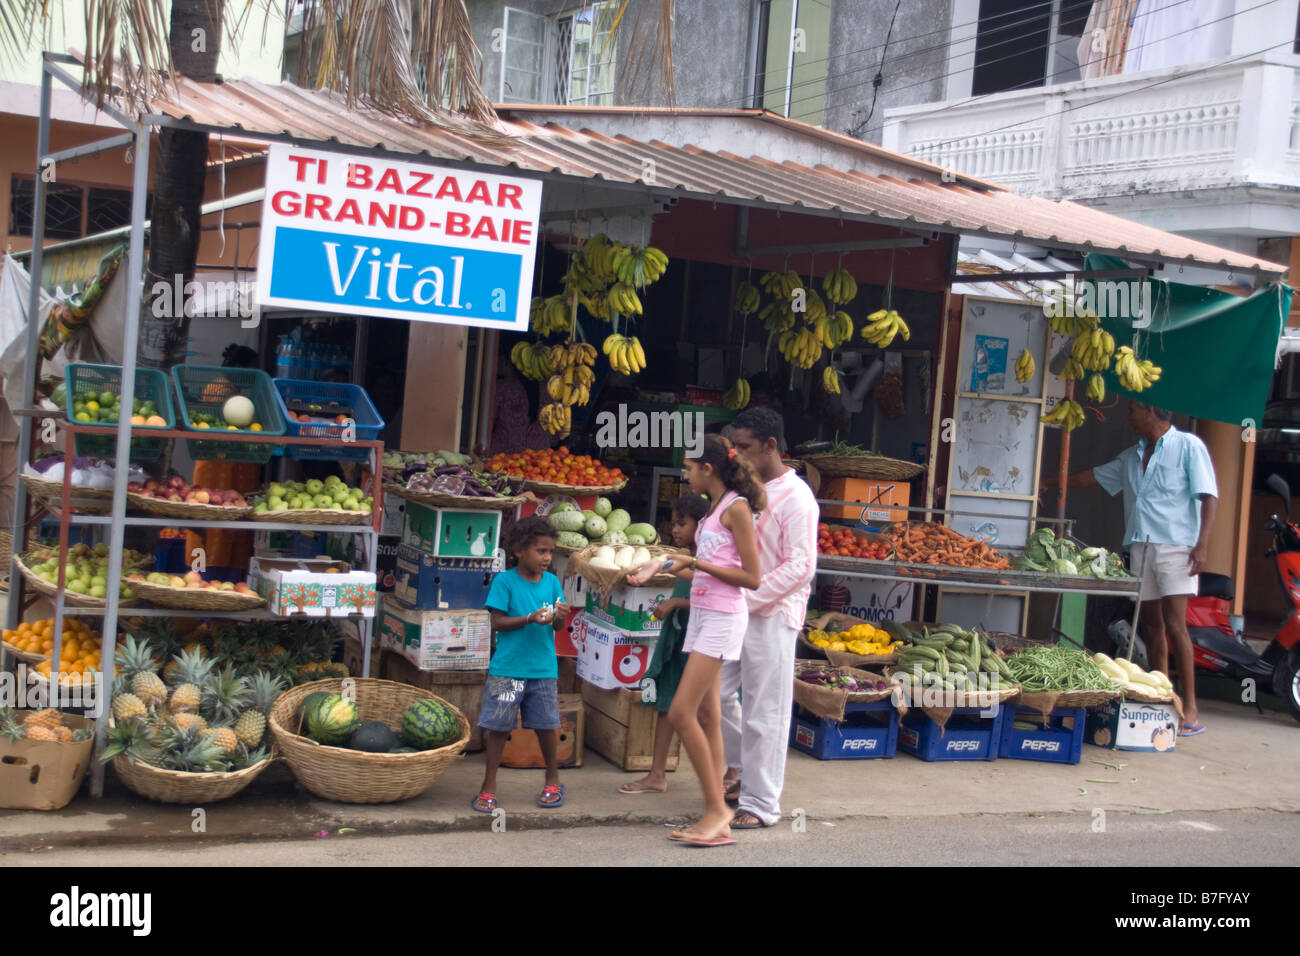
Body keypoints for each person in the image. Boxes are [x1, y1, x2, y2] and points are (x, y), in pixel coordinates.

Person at [1042, 400, 1217, 736]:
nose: (1129, 417)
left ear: (1152, 410)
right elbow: (1092, 476)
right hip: (1140, 546)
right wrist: (1050, 482)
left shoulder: (1188, 447)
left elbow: (1209, 496)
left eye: (1133, 410)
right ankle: (1163, 695)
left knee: (1176, 625)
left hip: (1177, 546)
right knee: (1150, 626)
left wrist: (1203, 545)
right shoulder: (1133, 455)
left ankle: (1191, 708)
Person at [627, 435, 763, 847]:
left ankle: (717, 811)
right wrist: (660, 565)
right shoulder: (711, 514)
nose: (684, 476)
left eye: (688, 468)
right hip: (703, 616)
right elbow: (701, 571)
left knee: (682, 712)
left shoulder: (737, 509)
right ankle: (716, 810)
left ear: (709, 469)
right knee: (707, 717)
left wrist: (692, 560)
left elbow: (752, 579)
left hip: (723, 619)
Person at [719, 407, 820, 828]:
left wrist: (749, 595)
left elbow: (801, 567)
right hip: (734, 608)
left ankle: (761, 804)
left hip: (774, 614)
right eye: (734, 447)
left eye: (745, 447)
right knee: (716, 693)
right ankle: (740, 766)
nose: (737, 455)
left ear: (771, 446)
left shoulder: (797, 497)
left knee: (767, 710)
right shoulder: (744, 489)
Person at [472, 516, 570, 813]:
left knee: (545, 726)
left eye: (550, 552)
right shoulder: (505, 581)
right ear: (519, 551)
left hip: (543, 670)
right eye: (541, 551)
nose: (547, 558)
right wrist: (529, 618)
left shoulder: (552, 582)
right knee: (499, 728)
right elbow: (497, 622)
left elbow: (556, 627)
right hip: (507, 668)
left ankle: (552, 780)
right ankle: (488, 787)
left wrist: (561, 616)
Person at [617, 493, 710, 795]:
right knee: (664, 704)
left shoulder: (711, 558)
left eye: (682, 523)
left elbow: (712, 595)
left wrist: (676, 602)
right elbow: (685, 575)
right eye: (674, 524)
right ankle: (657, 773)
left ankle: (726, 775)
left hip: (702, 642)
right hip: (678, 637)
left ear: (702, 524)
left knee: (710, 711)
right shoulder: (687, 557)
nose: (676, 530)